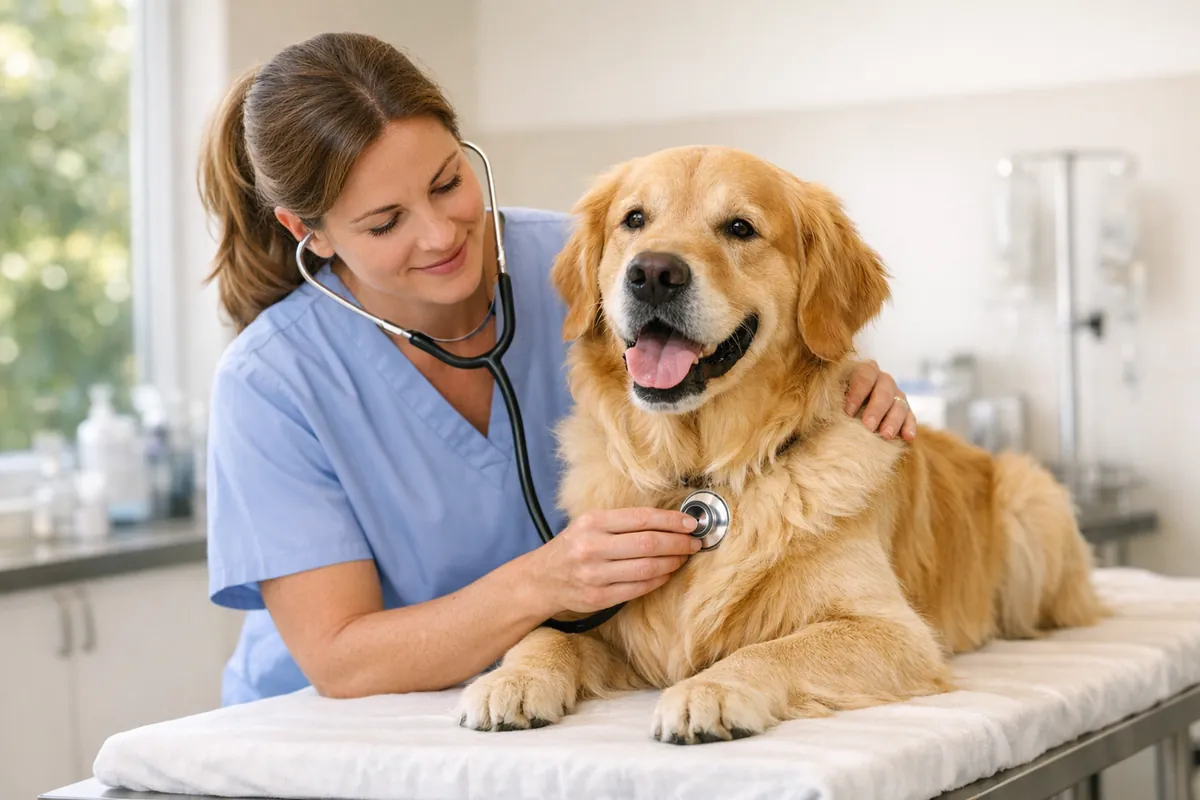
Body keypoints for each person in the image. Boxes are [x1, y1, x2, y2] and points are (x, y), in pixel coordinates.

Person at [197, 31, 919, 706]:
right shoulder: (270, 383)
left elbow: (779, 332)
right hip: (320, 732)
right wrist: (544, 584)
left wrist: (839, 384)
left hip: (525, 710)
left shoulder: (579, 264)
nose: (442, 233)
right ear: (308, 233)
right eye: (386, 223)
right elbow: (340, 660)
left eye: (448, 182)